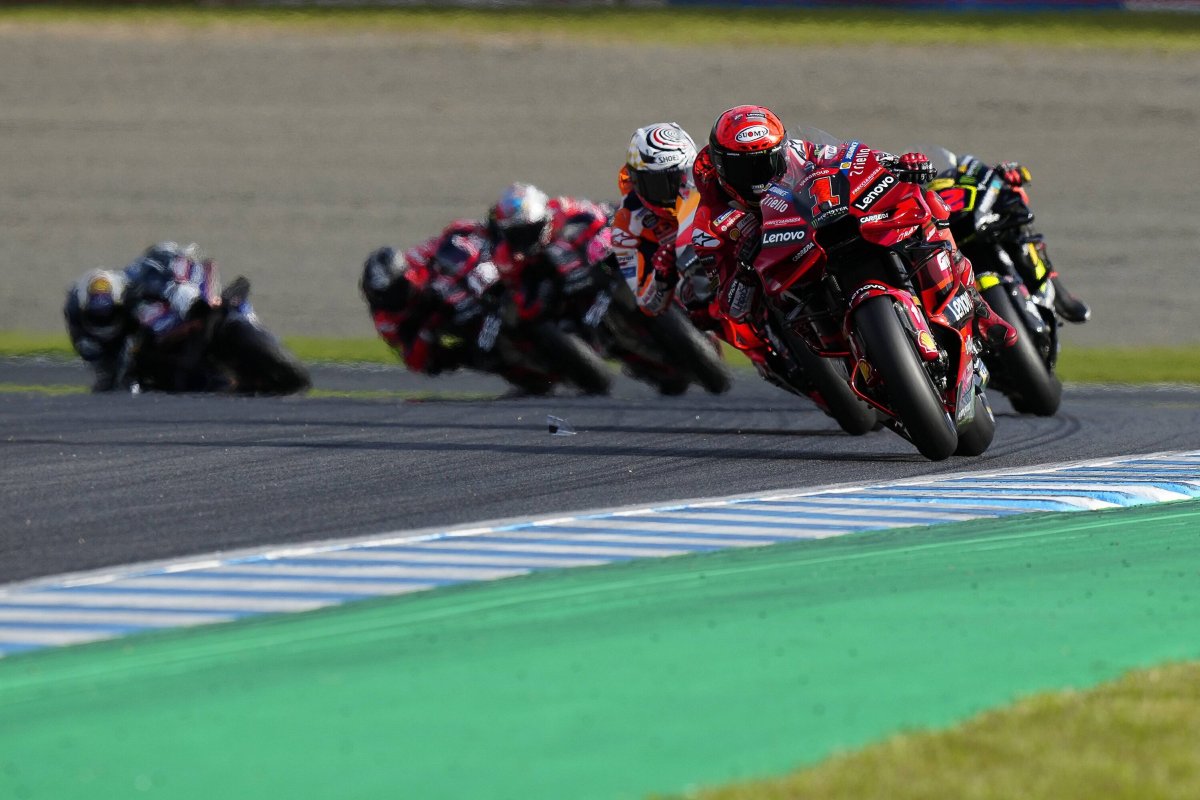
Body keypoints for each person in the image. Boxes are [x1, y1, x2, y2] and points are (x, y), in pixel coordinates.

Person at [680, 105, 1017, 355]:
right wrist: (742, 268)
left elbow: (851, 158)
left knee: (926, 202)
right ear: (723, 167)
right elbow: (732, 307)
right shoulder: (710, 222)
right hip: (792, 277)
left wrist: (899, 164)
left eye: (766, 162)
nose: (758, 176)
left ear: (781, 150)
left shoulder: (798, 152)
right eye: (745, 169)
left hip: (823, 232)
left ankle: (977, 305)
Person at [486, 182, 612, 326]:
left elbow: (601, 216)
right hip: (564, 294)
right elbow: (521, 295)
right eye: (517, 234)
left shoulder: (562, 208)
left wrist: (600, 244)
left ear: (543, 218)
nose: (526, 237)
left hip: (596, 268)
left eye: (530, 229)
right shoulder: (508, 254)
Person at [610, 122, 703, 316]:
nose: (672, 193)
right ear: (637, 182)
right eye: (659, 185)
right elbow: (646, 302)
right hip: (692, 295)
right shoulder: (627, 222)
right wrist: (661, 275)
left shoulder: (709, 183)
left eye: (680, 178)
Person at [64, 268, 132, 391]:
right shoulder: (74, 304)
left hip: (123, 333)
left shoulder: (127, 294)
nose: (103, 317)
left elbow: (138, 323)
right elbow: (75, 330)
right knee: (88, 349)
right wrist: (80, 342)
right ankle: (103, 374)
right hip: (92, 337)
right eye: (97, 315)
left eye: (107, 313)